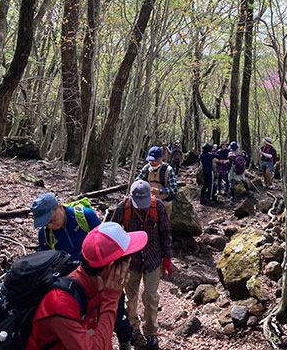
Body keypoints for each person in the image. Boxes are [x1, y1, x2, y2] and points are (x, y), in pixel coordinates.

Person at [31, 194, 134, 349]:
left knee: (117, 310)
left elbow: (103, 242)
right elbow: (49, 262)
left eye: (52, 220)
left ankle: (125, 341)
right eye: (46, 224)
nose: (50, 226)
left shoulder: (85, 216)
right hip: (72, 287)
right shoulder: (45, 235)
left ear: (60, 207)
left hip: (99, 275)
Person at [109, 180, 173, 350]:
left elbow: (166, 232)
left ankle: (151, 332)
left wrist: (167, 257)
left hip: (153, 258)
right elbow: (113, 231)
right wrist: (114, 259)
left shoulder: (158, 207)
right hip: (131, 259)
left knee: (151, 296)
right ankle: (133, 328)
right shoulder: (123, 207)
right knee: (130, 297)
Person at [136, 145, 178, 217]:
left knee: (163, 225)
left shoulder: (168, 170)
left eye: (154, 160)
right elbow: (137, 181)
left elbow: (174, 189)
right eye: (150, 160)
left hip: (164, 204)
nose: (152, 162)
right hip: (148, 203)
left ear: (161, 158)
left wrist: (160, 191)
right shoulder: (146, 168)